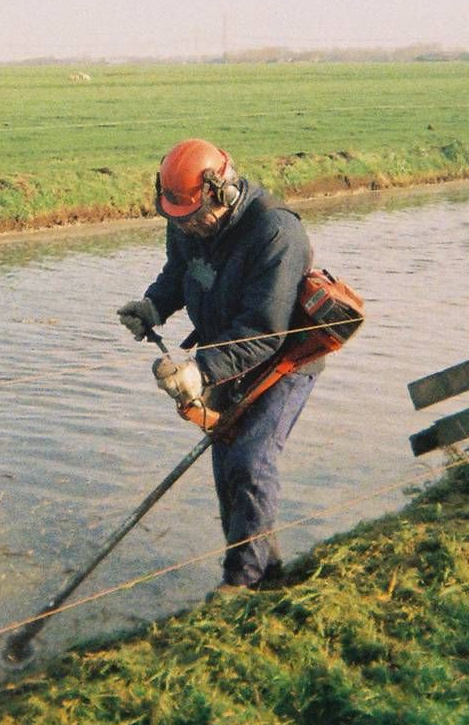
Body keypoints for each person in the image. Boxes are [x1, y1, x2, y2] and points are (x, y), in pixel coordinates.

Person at [116, 138, 323, 591]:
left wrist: (200, 370)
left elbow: (264, 329)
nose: (185, 228)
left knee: (251, 462)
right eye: (177, 219)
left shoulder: (275, 232)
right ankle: (265, 575)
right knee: (229, 469)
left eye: (192, 218)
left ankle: (239, 586)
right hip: (223, 355)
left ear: (221, 193)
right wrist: (154, 305)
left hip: (283, 359)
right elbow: (180, 270)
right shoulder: (186, 220)